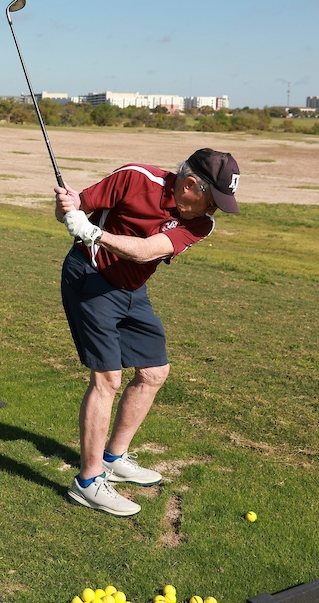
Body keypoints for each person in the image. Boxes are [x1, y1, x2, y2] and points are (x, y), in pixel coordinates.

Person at [55, 149, 241, 517]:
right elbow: (76, 205)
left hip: (132, 289)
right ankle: (88, 482)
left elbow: (143, 253)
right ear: (190, 185)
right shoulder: (135, 178)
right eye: (212, 201)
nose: (212, 212)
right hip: (89, 277)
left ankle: (113, 459)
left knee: (154, 372)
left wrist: (94, 232)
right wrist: (67, 208)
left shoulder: (200, 223)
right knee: (107, 378)